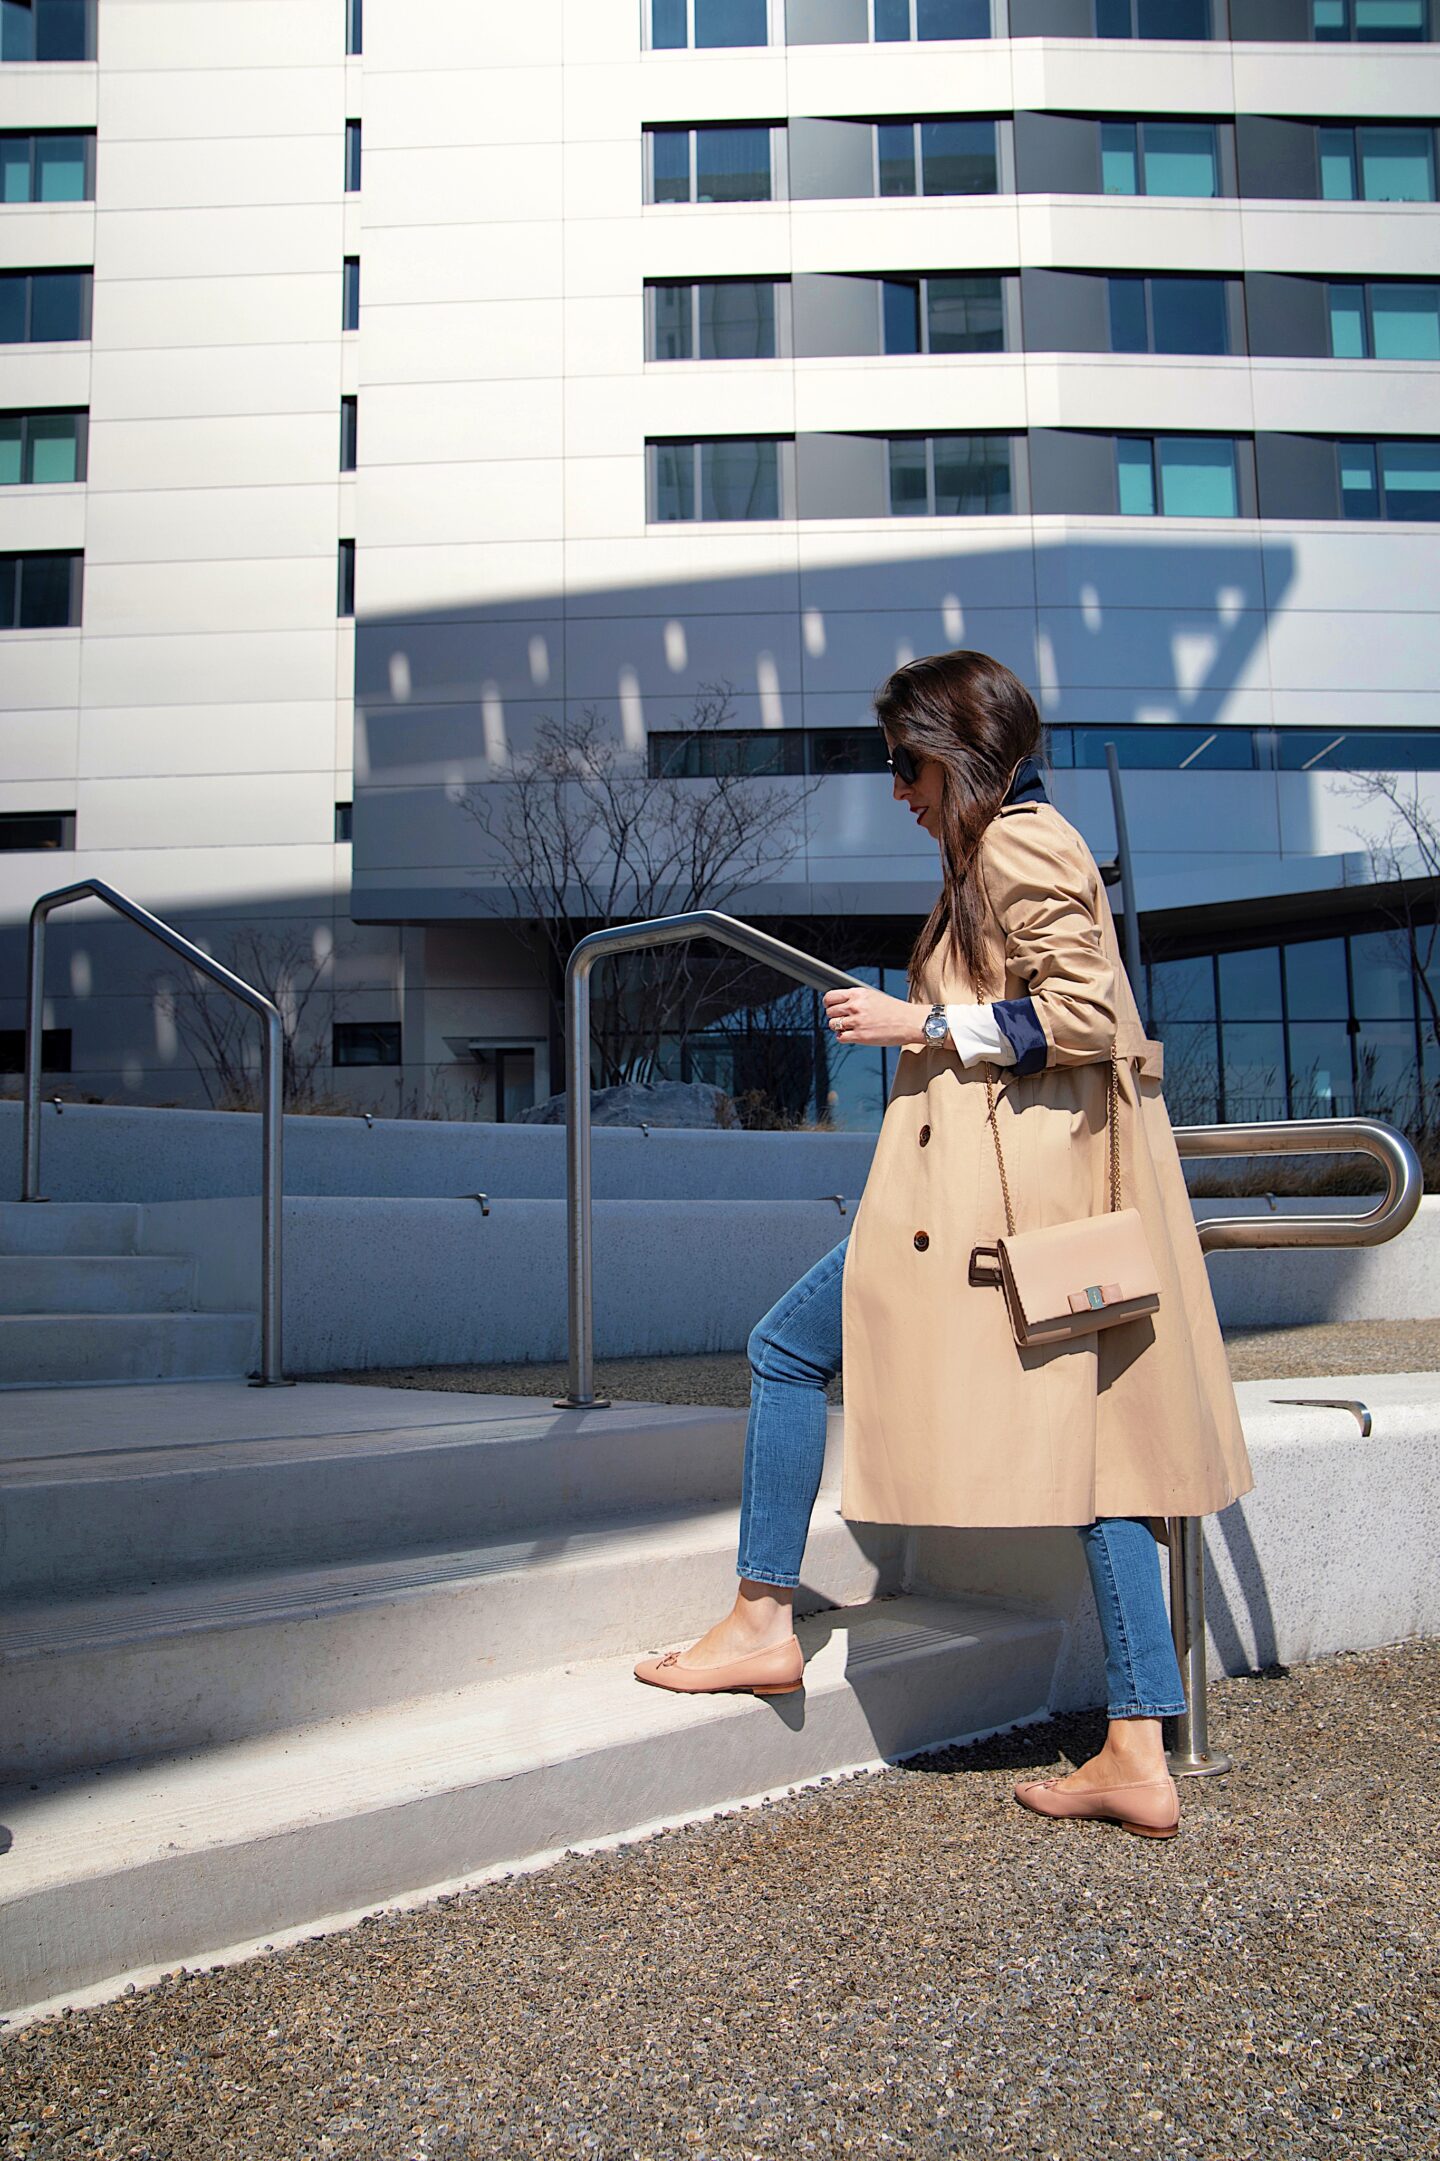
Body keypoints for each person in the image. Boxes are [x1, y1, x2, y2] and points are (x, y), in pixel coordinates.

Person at [635, 650, 1254, 1840]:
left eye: (907, 765)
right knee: (1105, 1457)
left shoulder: (1020, 843)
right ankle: (1138, 1744)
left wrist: (913, 1021)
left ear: (960, 755)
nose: (898, 789)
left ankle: (765, 1620)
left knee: (783, 1349)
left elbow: (1088, 1013)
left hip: (991, 1214)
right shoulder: (1006, 847)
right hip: (1031, 1208)